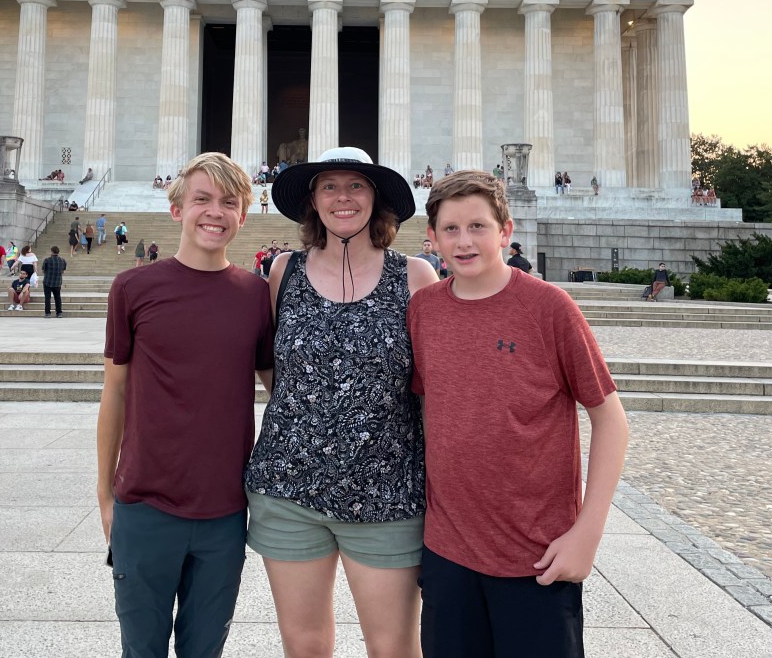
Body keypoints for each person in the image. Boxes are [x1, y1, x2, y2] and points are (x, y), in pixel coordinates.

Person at [407, 170, 629, 658]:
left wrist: (587, 533)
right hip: (449, 553)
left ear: (505, 232)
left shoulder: (549, 307)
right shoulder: (424, 310)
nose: (464, 242)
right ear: (432, 237)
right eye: (450, 229)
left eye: (478, 227)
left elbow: (610, 419)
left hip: (538, 554)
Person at [245, 146, 440, 658]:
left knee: (394, 646)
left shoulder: (414, 276)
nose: (343, 197)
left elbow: (436, 382)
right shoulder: (283, 271)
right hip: (289, 488)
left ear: (376, 199)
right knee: (304, 644)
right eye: (329, 186)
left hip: (386, 494)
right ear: (313, 200)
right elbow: (270, 365)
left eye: (356, 185)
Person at [97, 152, 274, 658]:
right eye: (202, 199)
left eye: (228, 202)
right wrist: (105, 493)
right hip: (145, 504)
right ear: (177, 209)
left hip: (224, 510)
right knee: (142, 648)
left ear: (244, 215)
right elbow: (116, 393)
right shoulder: (133, 288)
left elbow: (279, 391)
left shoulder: (255, 295)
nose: (214, 212)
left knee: (205, 649)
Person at [42, 245, 67, 317]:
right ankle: (59, 312)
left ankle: (48, 313)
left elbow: (43, 270)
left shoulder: (47, 260)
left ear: (52, 251)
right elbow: (63, 271)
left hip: (47, 281)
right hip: (57, 281)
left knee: (47, 298)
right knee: (57, 297)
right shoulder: (62, 260)